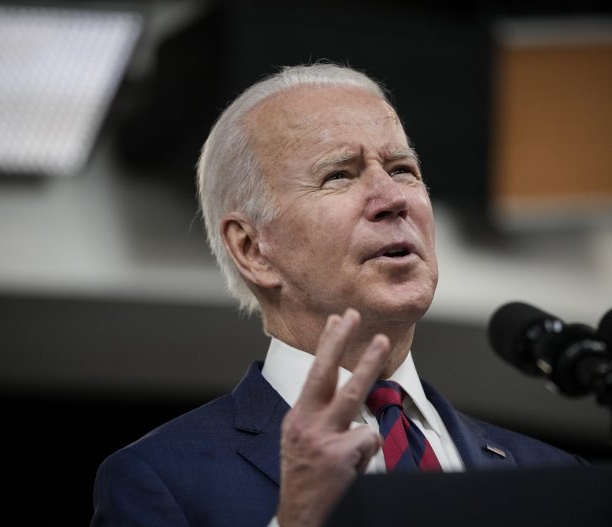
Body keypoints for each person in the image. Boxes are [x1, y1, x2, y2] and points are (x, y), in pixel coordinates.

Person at [91, 63, 585, 527]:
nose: (392, 199)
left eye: (401, 169)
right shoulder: (162, 479)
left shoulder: (557, 476)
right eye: (339, 175)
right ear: (252, 249)